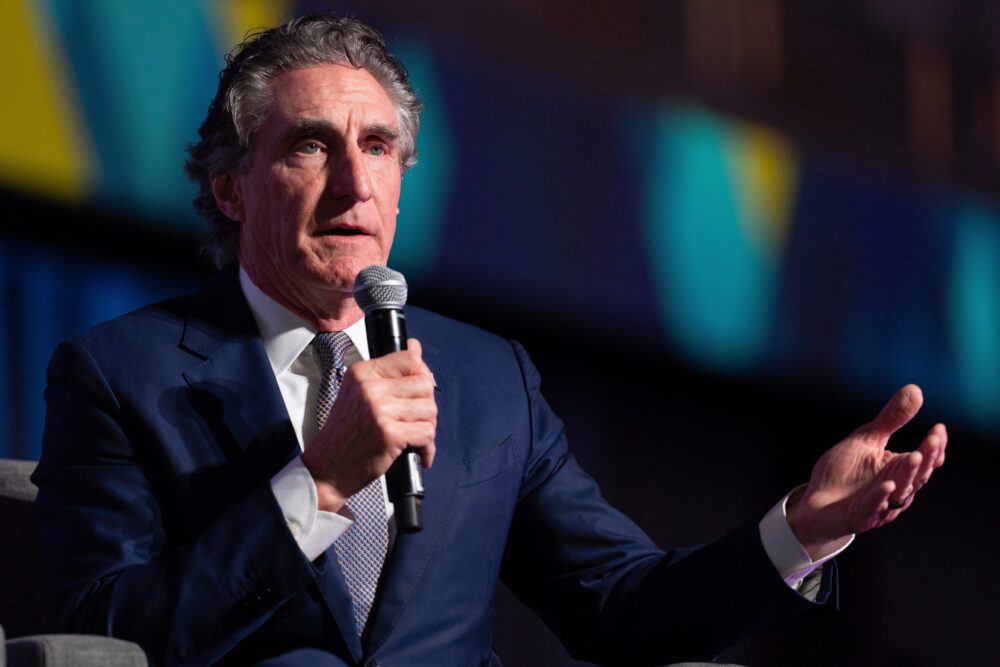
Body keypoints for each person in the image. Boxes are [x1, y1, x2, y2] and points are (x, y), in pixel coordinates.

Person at [33, 15, 947, 667]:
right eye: (310, 146)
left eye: (379, 148)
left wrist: (802, 529)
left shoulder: (488, 378)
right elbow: (108, 637)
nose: (354, 183)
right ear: (232, 189)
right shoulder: (120, 373)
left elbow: (622, 609)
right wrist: (317, 485)